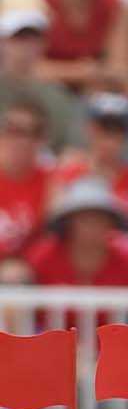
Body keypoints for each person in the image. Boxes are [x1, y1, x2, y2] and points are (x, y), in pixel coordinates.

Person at [23, 173, 128, 322]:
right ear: (69, 222)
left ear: (111, 223)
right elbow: (16, 299)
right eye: (84, 217)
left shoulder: (126, 261)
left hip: (110, 353)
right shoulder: (45, 255)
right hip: (52, 352)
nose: (92, 225)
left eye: (99, 217)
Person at [53, 91, 128, 256]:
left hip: (125, 270)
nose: (110, 139)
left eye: (118, 130)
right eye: (104, 128)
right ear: (89, 129)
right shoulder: (67, 176)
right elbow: (55, 236)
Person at [0, 0, 85, 151]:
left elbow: (73, 153)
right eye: (17, 35)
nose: (25, 44)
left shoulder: (58, 97)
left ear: (44, 41)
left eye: (33, 35)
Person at [0, 93, 51, 279]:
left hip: (30, 280)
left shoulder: (51, 182)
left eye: (31, 132)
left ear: (41, 140)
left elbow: (51, 242)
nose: (22, 141)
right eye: (14, 130)